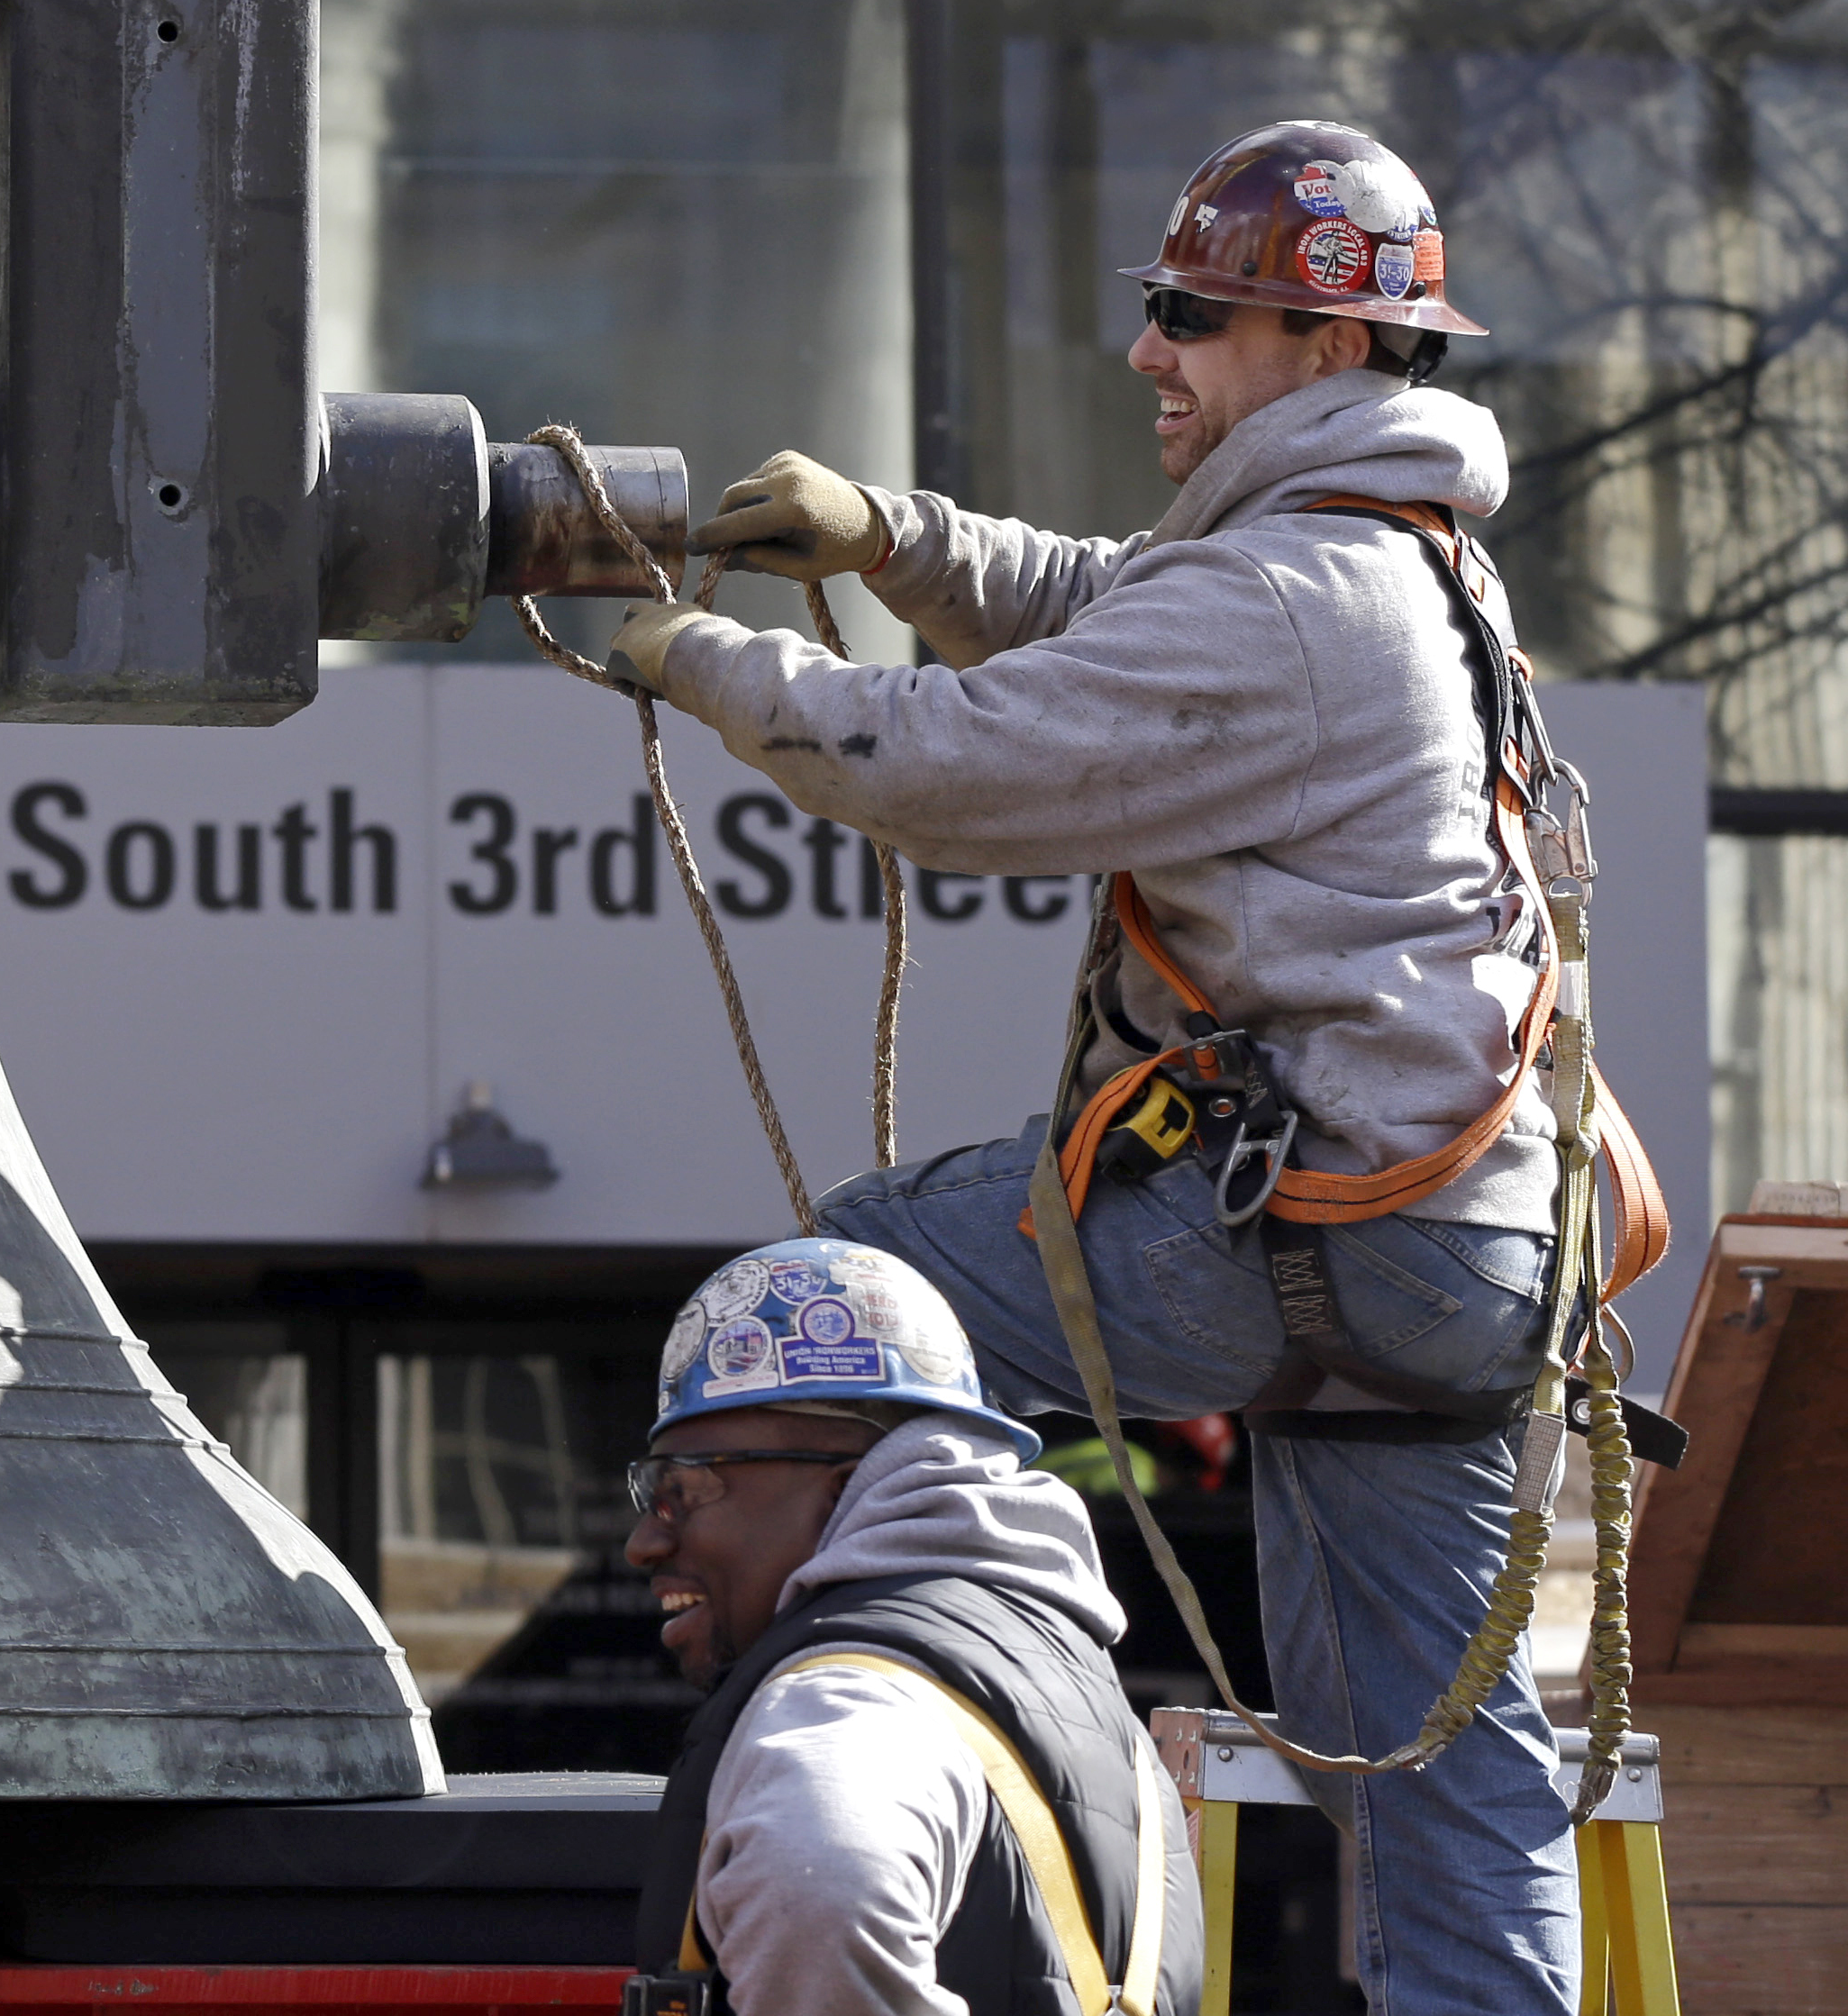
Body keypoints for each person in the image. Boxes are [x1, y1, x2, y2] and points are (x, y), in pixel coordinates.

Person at [604, 118, 1654, 2016]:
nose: (1152, 353)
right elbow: (1116, 611)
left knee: (858, 1301)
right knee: (1450, 1786)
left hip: (1308, 1228)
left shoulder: (1291, 601)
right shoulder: (1395, 565)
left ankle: (943, 1715)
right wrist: (896, 539)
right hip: (1460, 1257)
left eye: (1194, 316)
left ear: (1326, 353)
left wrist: (703, 664)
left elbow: (942, 767)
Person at [625, 1237, 1197, 2016]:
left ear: (840, 1488)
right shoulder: (1094, 1713)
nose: (644, 1542)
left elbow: (820, 1894)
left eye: (682, 1491)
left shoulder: (851, 1697)